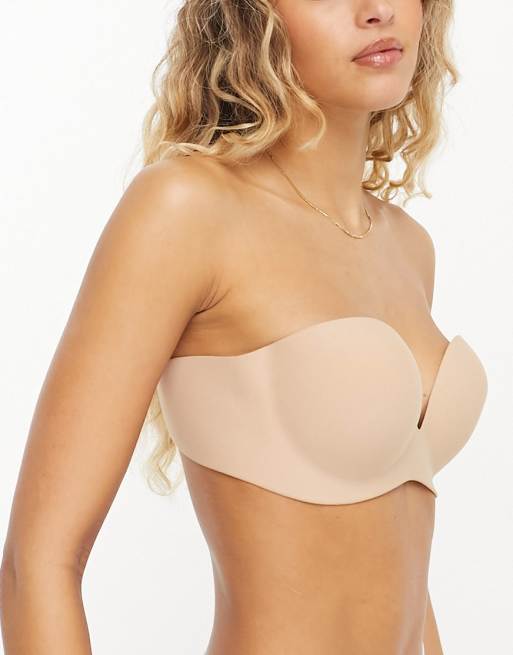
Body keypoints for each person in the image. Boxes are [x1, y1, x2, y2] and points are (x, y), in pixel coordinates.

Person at [0, 1, 489, 654]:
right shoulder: (186, 208)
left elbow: (394, 556)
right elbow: (37, 564)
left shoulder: (406, 246)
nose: (376, 10)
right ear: (252, 17)